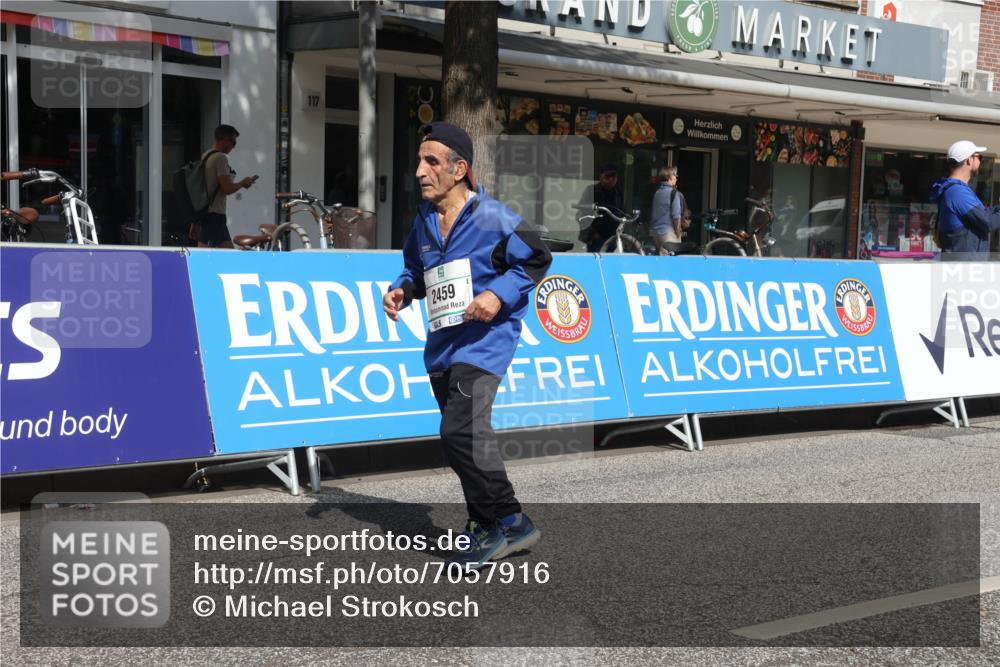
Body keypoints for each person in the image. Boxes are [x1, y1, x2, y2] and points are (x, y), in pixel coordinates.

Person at [382, 122, 552, 569]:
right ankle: (483, 523)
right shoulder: (423, 220)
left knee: (460, 432)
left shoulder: (494, 216)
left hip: (484, 343)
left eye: (431, 161)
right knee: (467, 439)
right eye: (419, 161)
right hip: (441, 345)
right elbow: (415, 269)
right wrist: (403, 289)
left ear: (459, 169)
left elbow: (536, 259)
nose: (420, 171)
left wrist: (498, 295)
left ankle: (511, 519)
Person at [930, 140, 1000, 260]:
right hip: (963, 269)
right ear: (969, 160)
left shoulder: (956, 190)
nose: (980, 161)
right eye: (979, 157)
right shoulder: (958, 193)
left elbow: (982, 215)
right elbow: (987, 223)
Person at [198, 124, 258, 248]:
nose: (234, 146)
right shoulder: (220, 158)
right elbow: (227, 188)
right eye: (233, 142)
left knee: (228, 251)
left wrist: (195, 221)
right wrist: (243, 183)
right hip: (215, 214)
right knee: (203, 252)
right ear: (224, 139)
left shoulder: (206, 156)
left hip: (207, 213)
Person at [577, 164, 624, 252]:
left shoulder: (618, 192)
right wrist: (593, 234)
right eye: (608, 176)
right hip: (596, 236)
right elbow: (581, 213)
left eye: (613, 176)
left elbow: (621, 212)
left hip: (613, 236)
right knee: (595, 261)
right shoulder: (592, 190)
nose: (611, 179)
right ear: (601, 176)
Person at [650, 166, 685, 255]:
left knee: (662, 259)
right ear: (670, 177)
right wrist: (677, 233)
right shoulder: (674, 193)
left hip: (656, 233)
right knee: (671, 263)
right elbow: (676, 216)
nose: (676, 178)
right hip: (668, 234)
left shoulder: (657, 193)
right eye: (675, 175)